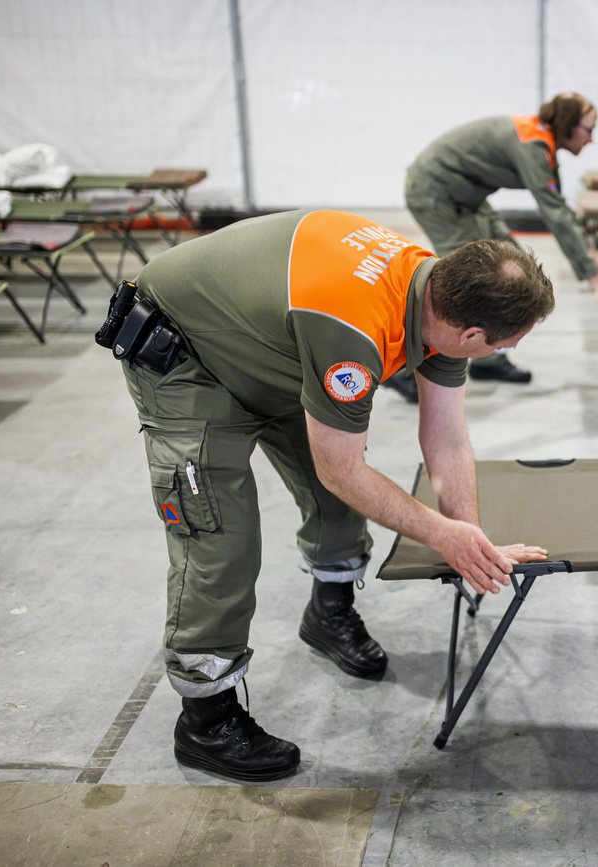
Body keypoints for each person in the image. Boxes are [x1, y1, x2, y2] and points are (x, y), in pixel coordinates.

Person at [113, 209, 553, 782]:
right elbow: (341, 469)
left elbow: (446, 436)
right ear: (471, 336)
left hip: (275, 346)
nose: (497, 353)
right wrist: (440, 533)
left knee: (345, 501)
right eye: (502, 346)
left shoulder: (439, 292)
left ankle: (329, 613)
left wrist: (466, 537)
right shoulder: (355, 326)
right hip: (189, 359)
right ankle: (205, 721)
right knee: (220, 539)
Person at [388, 91, 598, 400]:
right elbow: (553, 215)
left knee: (512, 266)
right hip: (436, 191)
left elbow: (560, 209)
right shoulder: (533, 147)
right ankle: (398, 365)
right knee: (463, 284)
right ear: (568, 125)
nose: (591, 139)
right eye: (589, 130)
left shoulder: (543, 144)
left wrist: (592, 257)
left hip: (467, 195)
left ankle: (489, 358)